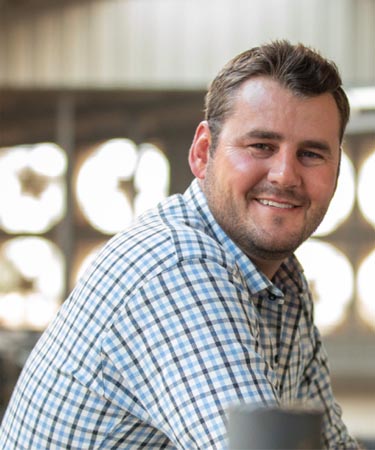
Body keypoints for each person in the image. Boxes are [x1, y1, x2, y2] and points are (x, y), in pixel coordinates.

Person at [0, 40, 359, 449]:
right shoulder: (177, 266)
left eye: (311, 154)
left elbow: (332, 445)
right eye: (261, 146)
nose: (284, 175)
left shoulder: (285, 284)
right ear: (204, 153)